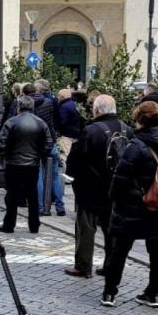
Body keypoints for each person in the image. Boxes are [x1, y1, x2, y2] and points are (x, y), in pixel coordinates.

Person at [102, 101, 158, 308]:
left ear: (140, 120)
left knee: (119, 249)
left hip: (132, 204)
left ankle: (110, 292)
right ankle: (154, 293)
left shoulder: (136, 145)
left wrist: (114, 197)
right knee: (156, 249)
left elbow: (121, 176)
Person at [64, 95, 129, 278]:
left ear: (97, 110)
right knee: (111, 229)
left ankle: (84, 266)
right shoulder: (127, 129)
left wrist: (72, 176)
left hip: (90, 188)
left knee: (86, 227)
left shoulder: (91, 130)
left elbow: (76, 159)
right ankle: (110, 265)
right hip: (116, 188)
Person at [0, 95, 53, 234]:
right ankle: (34, 225)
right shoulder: (40, 123)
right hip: (32, 164)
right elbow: (49, 144)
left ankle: (9, 224)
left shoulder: (11, 122)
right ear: (32, 107)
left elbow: (1, 143)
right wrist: (40, 155)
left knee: (12, 195)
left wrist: (6, 154)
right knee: (32, 195)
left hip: (13, 164)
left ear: (18, 107)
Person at [27, 81, 65, 216]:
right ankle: (60, 207)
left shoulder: (29, 105)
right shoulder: (50, 103)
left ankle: (41, 208)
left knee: (39, 176)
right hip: (51, 141)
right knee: (55, 175)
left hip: (36, 144)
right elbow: (57, 120)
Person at [55, 88, 84, 164]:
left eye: (58, 96)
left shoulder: (64, 107)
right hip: (76, 134)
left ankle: (64, 174)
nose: (57, 97)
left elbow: (61, 121)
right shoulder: (74, 104)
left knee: (63, 156)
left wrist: (58, 130)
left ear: (62, 97)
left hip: (67, 135)